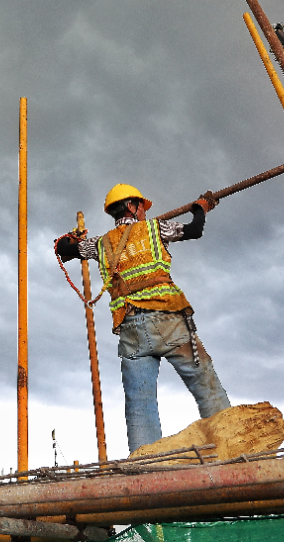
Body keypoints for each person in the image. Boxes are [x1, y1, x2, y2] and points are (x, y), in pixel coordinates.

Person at [55, 184, 231, 453]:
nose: (144, 212)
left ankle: (147, 467)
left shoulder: (101, 244)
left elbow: (64, 248)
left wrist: (74, 237)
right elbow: (194, 230)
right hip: (168, 320)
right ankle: (234, 446)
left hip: (131, 328)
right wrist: (201, 208)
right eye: (141, 207)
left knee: (139, 403)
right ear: (131, 207)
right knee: (205, 382)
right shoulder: (154, 229)